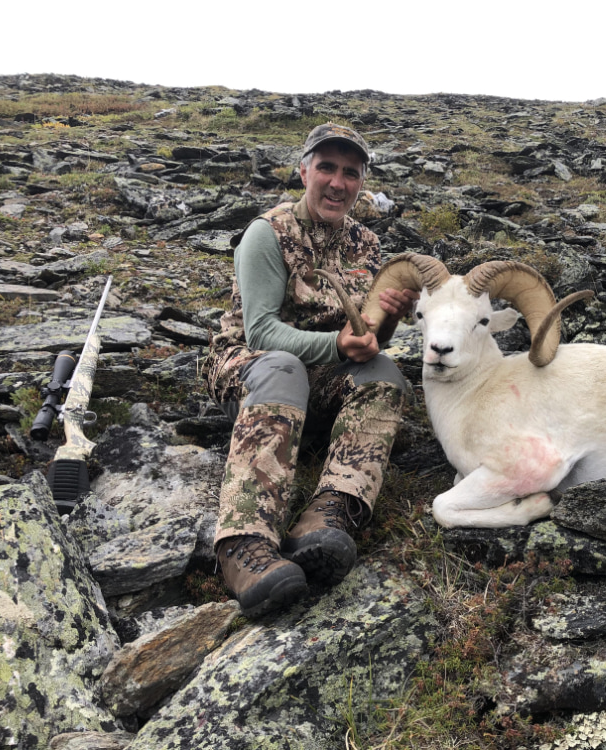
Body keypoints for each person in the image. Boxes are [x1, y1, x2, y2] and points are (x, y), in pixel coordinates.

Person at [202, 123, 419, 616]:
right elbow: (260, 332)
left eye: (350, 172)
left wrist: (384, 325)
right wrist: (337, 344)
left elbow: (363, 342)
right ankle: (243, 545)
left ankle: (330, 511)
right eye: (326, 168)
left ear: (361, 183)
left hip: (320, 374)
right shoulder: (267, 233)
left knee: (385, 371)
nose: (338, 182)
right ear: (304, 171)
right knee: (283, 367)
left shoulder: (366, 244)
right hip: (250, 367)